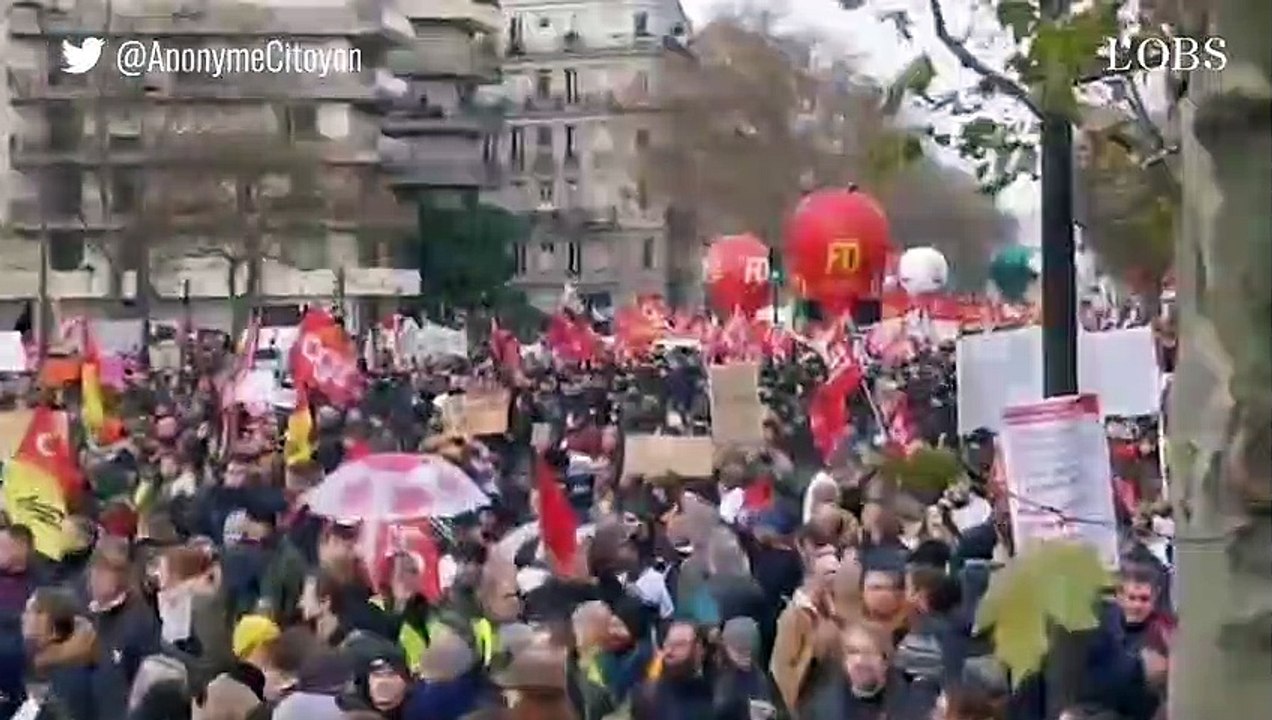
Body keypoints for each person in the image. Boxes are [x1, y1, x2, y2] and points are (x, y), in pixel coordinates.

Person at [20, 587, 99, 720]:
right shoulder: (33, 669)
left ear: (55, 630)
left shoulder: (71, 682)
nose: (24, 617)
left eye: (35, 611)